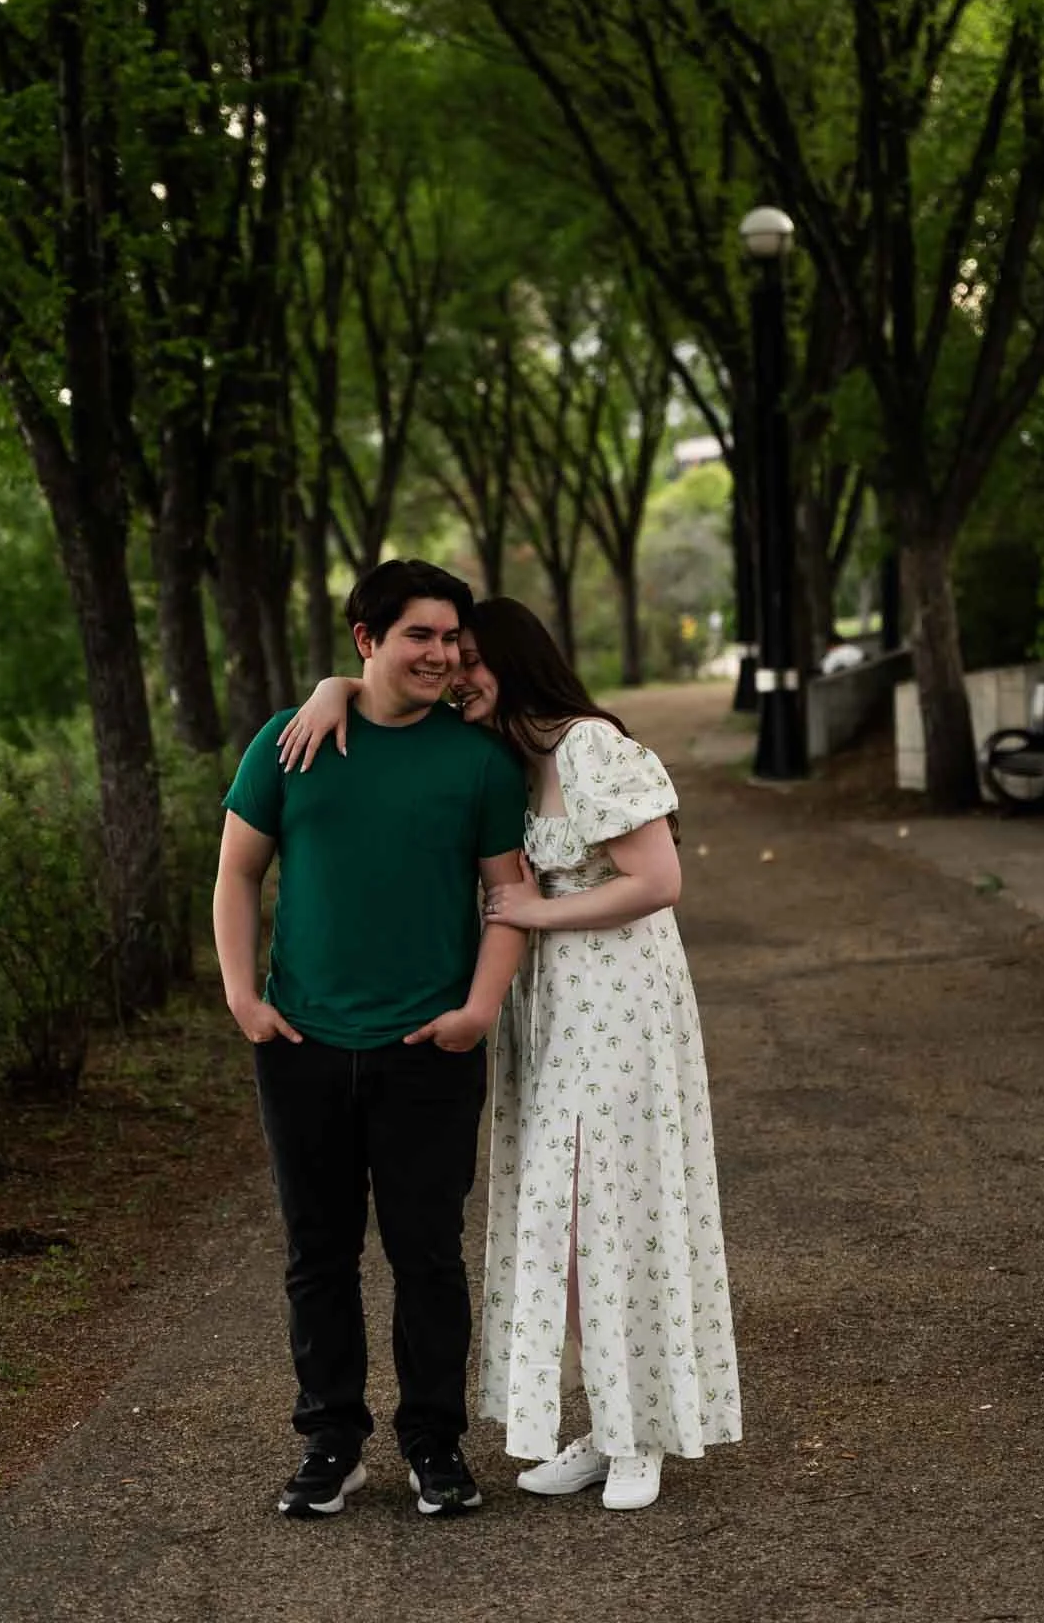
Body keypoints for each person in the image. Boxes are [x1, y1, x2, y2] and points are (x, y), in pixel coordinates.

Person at [279, 596, 741, 1513]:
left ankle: (636, 1432)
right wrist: (335, 684)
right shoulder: (508, 759)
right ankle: (603, 1422)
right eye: (448, 653)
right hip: (552, 1011)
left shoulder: (588, 746)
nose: (456, 670)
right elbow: (383, 699)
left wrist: (535, 912)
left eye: (474, 657)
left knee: (612, 1215)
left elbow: (659, 881)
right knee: (563, 1230)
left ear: (519, 662)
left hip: (619, 1007)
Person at [213, 560, 528, 1521]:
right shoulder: (290, 742)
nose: (438, 654)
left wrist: (477, 1012)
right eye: (417, 636)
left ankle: (434, 1446)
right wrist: (241, 997)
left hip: (428, 1047)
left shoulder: (476, 760)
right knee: (318, 1252)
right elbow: (235, 874)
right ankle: (331, 1443)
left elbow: (508, 896)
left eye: (448, 638)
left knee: (426, 1253)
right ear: (367, 641)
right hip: (301, 1042)